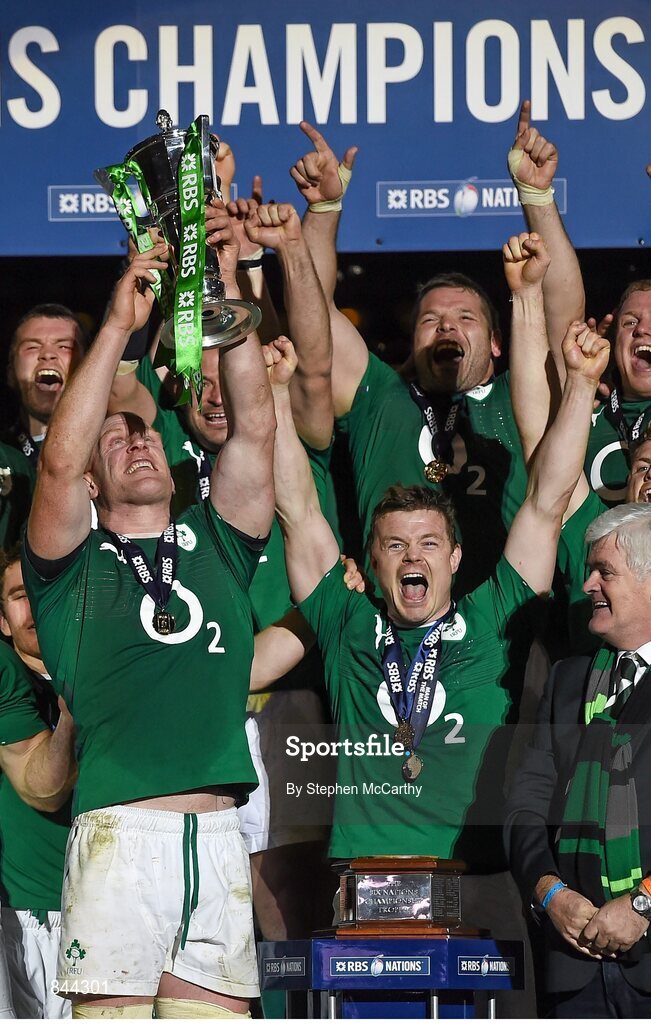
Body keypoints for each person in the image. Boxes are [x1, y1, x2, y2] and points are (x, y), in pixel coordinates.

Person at [266, 256, 609, 1015]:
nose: (411, 557)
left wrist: (580, 385)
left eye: (427, 544)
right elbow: (297, 509)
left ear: (455, 557)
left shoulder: (492, 614)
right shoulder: (347, 618)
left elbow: (549, 500)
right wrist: (268, 398)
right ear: (372, 559)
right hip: (369, 894)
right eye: (393, 545)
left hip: (483, 884)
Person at [22, 202, 275, 1018]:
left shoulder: (220, 543)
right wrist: (119, 328)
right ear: (93, 483)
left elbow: (255, 433)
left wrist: (225, 300)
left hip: (220, 839)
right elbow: (57, 464)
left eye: (146, 436)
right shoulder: (71, 570)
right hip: (119, 840)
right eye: (115, 439)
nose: (136, 441)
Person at [108, 201, 340, 955]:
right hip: (186, 712)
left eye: (225, 377)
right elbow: (116, 393)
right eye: (198, 380)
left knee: (283, 909)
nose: (215, 393)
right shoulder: (160, 457)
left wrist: (257, 260)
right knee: (190, 913)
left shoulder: (297, 448)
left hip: (285, 708)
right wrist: (158, 265)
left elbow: (312, 346)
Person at [289, 116, 580, 596]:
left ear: (496, 343)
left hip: (500, 631)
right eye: (430, 320)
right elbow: (312, 316)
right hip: (389, 631)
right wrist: (323, 209)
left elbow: (563, 319)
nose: (447, 324)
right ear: (412, 342)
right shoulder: (377, 395)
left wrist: (538, 198)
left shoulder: (519, 393)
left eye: (467, 318)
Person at [505, 502, 651, 1017]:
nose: (588, 584)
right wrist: (550, 894)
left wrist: (642, 904)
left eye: (605, 572)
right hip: (573, 966)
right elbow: (524, 807)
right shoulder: (568, 682)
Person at [509, 101, 651, 506]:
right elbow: (562, 311)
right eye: (630, 322)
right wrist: (536, 196)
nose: (644, 330)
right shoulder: (579, 416)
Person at [0, 548, 74, 1019]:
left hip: (108, 908)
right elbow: (44, 790)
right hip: (26, 917)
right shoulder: (6, 672)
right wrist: (74, 710)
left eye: (43, 592)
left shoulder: (121, 665)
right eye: (19, 596)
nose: (34, 607)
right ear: (3, 620)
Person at [4, 304, 85, 466]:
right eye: (32, 347)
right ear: (11, 373)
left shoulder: (115, 453)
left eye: (64, 347)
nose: (48, 354)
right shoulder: (3, 454)